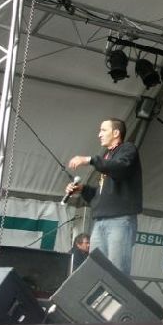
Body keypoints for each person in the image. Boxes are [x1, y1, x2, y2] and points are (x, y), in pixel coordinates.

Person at [65, 118, 143, 275]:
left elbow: (121, 167)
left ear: (116, 133)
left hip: (120, 220)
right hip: (100, 222)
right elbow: (102, 195)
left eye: (103, 130)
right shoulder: (108, 157)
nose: (99, 134)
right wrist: (82, 189)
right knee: (96, 269)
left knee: (117, 271)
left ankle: (117, 292)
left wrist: (89, 160)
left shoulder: (127, 149)